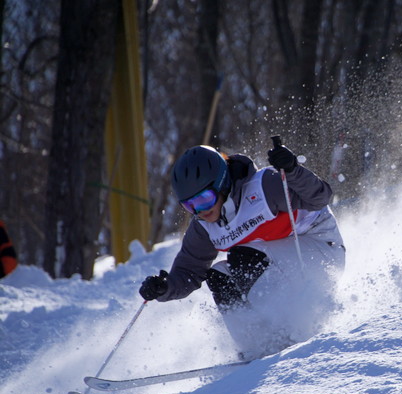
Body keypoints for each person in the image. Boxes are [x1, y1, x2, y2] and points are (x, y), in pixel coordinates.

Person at [139, 143, 345, 352]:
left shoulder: (265, 187)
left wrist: (293, 171)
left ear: (222, 184)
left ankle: (291, 331)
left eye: (205, 199)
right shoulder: (204, 227)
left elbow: (320, 198)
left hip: (320, 249)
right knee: (219, 276)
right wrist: (164, 288)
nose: (200, 210)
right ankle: (257, 345)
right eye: (189, 206)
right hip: (279, 263)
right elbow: (188, 271)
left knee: (242, 258)